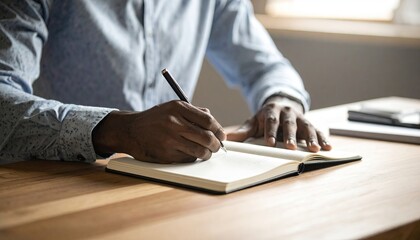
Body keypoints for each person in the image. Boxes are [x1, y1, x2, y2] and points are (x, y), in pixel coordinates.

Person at [0, 0, 331, 165]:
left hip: (169, 193)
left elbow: (266, 66)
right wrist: (116, 131)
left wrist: (283, 99)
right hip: (54, 187)